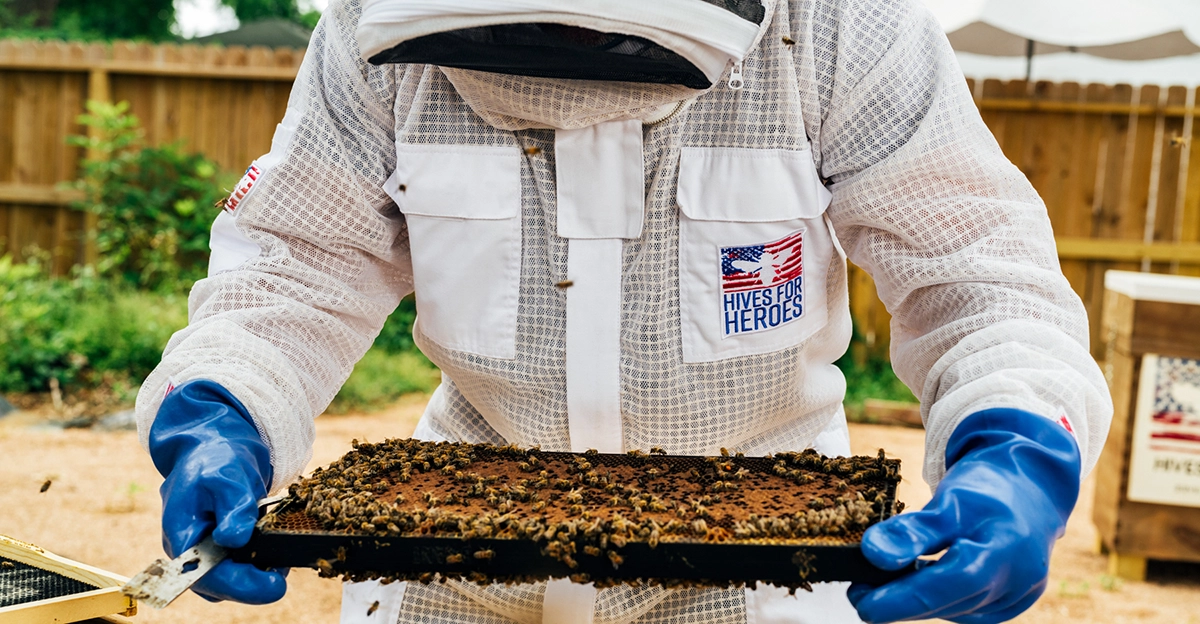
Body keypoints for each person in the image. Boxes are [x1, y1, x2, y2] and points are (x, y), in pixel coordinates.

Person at [137, 0, 1113, 622]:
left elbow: (976, 277)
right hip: (456, 550)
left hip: (752, 558)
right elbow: (295, 268)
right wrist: (223, 409)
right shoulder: (365, 38)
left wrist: (1015, 442)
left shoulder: (842, 27)